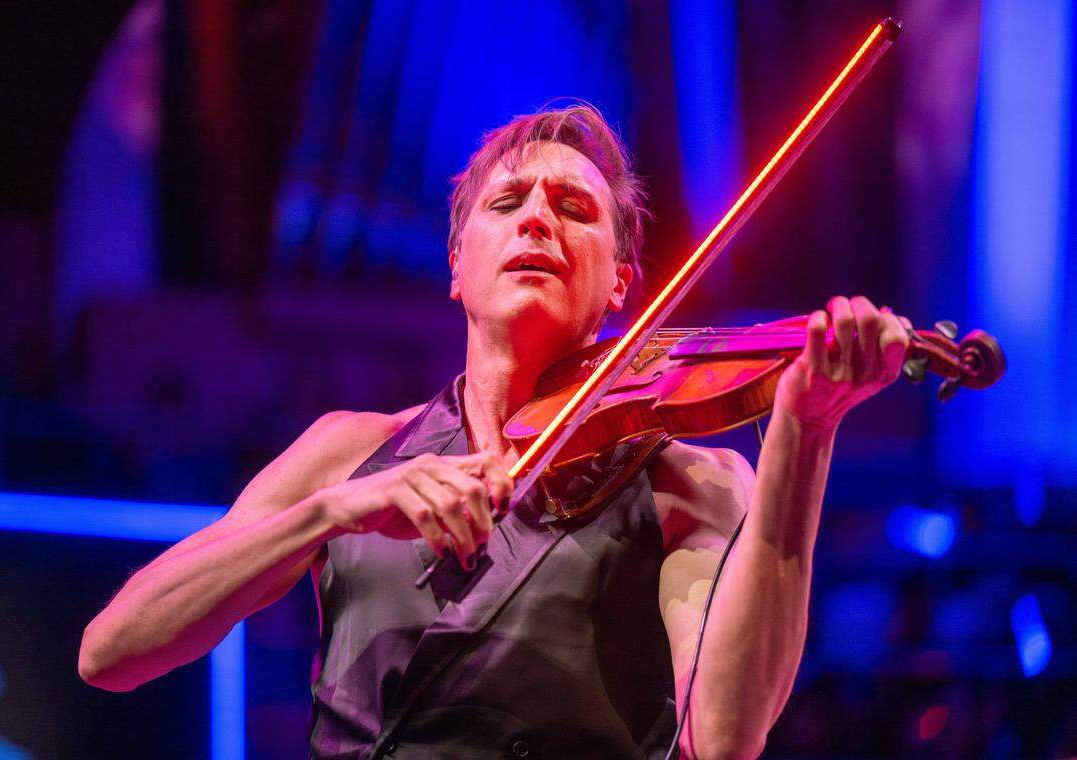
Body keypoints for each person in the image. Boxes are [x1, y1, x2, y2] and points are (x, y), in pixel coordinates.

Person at [78, 104, 908, 759]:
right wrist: (332, 511)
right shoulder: (348, 450)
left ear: (622, 282)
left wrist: (805, 433)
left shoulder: (684, 478)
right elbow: (112, 653)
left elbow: (723, 735)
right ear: (456, 267)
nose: (537, 220)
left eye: (574, 208)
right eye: (507, 204)